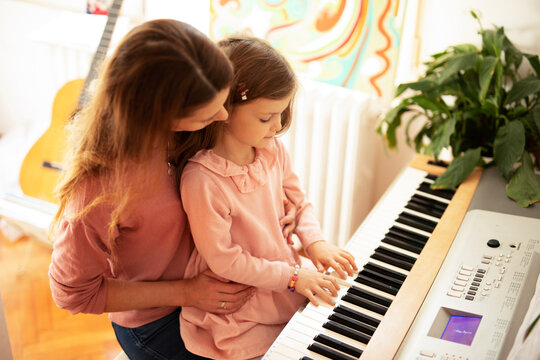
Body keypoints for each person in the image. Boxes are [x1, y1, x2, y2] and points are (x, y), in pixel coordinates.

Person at [47, 20, 297, 360]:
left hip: (215, 300)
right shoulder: (101, 189)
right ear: (164, 110)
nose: (223, 114)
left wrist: (278, 205)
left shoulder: (188, 133)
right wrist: (188, 292)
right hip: (156, 321)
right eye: (211, 109)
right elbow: (71, 294)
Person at [177, 36, 358, 360]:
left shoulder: (271, 150)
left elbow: (299, 203)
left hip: (284, 286)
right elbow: (224, 259)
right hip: (237, 308)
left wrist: (315, 242)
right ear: (224, 109)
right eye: (266, 117)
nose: (277, 126)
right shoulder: (202, 180)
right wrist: (291, 277)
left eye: (282, 112)